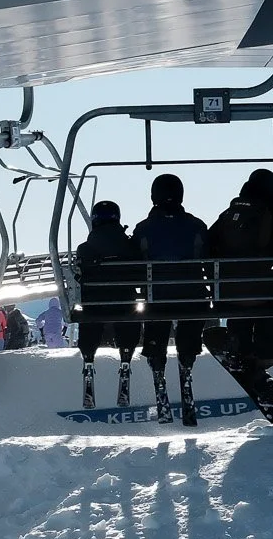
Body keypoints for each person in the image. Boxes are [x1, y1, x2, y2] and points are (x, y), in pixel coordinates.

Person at [207, 168, 273, 417]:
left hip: (229, 293)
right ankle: (263, 360)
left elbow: (208, 244)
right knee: (267, 312)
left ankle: (242, 354)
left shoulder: (230, 214)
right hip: (264, 294)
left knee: (241, 315)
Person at [132, 173, 211, 426]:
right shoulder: (196, 225)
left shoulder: (144, 229)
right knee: (190, 322)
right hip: (192, 295)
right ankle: (186, 366)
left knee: (156, 319)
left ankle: (158, 368)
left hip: (158, 297)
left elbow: (135, 263)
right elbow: (208, 258)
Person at [74, 200, 141, 410]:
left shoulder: (85, 249)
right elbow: (140, 276)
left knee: (89, 314)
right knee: (129, 312)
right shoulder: (130, 246)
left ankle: (88, 359)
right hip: (124, 305)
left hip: (95, 306)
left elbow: (78, 279)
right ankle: (126, 357)